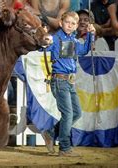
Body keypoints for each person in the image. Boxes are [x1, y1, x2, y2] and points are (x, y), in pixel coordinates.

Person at [41, 11, 95, 157]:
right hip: (59, 80)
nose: (70, 26)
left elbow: (83, 51)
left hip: (69, 81)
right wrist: (43, 38)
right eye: (67, 22)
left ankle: (51, 133)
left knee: (76, 112)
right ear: (61, 23)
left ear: (77, 26)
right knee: (68, 113)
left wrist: (90, 35)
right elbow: (43, 46)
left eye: (73, 23)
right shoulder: (56, 38)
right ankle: (64, 148)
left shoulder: (74, 40)